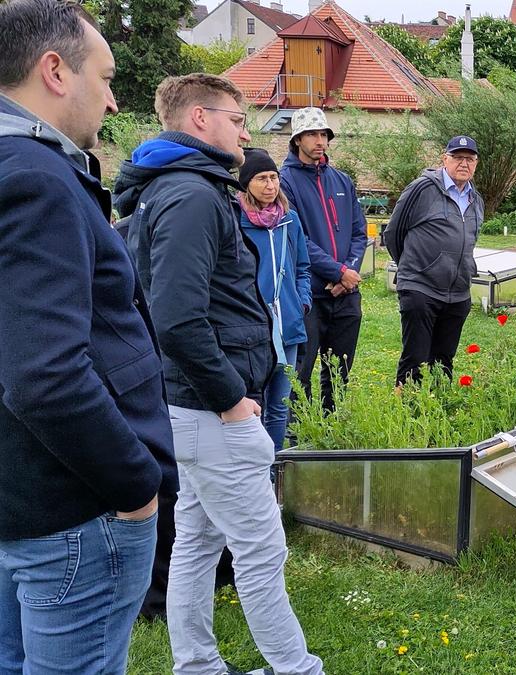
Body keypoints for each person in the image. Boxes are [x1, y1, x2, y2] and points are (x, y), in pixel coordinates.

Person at [114, 73, 323, 675]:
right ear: (199, 119)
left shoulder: (184, 188)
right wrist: (233, 399)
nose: (245, 130)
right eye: (237, 118)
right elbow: (178, 318)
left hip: (197, 404)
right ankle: (296, 668)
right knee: (261, 551)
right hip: (211, 407)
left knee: (198, 545)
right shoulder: (192, 194)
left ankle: (198, 664)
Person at [0, 2, 173, 672]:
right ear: (55, 71)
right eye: (103, 77)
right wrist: (135, 484)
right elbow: (44, 374)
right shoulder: (36, 178)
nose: (111, 97)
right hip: (74, 508)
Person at [279, 107, 368, 412]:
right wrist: (338, 270)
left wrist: (349, 272)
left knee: (340, 369)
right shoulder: (285, 182)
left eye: (324, 135)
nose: (320, 141)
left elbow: (359, 231)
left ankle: (333, 425)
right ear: (297, 139)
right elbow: (297, 236)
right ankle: (298, 433)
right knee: (301, 371)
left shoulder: (342, 181)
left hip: (346, 293)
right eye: (312, 134)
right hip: (310, 294)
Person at [387, 135, 485, 385]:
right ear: (445, 160)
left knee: (444, 361)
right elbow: (393, 233)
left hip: (458, 293)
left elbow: (470, 240)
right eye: (458, 157)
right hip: (421, 288)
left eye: (470, 159)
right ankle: (406, 416)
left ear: (476, 163)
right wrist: (414, 267)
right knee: (415, 360)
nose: (464, 163)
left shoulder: (476, 200)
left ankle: (439, 411)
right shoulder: (422, 188)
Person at [239, 148, 312, 451]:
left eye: (274, 178)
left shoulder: (289, 219)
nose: (270, 185)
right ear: (246, 183)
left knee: (280, 405)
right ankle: (252, 469)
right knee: (253, 404)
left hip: (288, 324)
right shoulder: (235, 218)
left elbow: (302, 267)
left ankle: (275, 468)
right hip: (251, 326)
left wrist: (302, 301)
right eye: (261, 179)